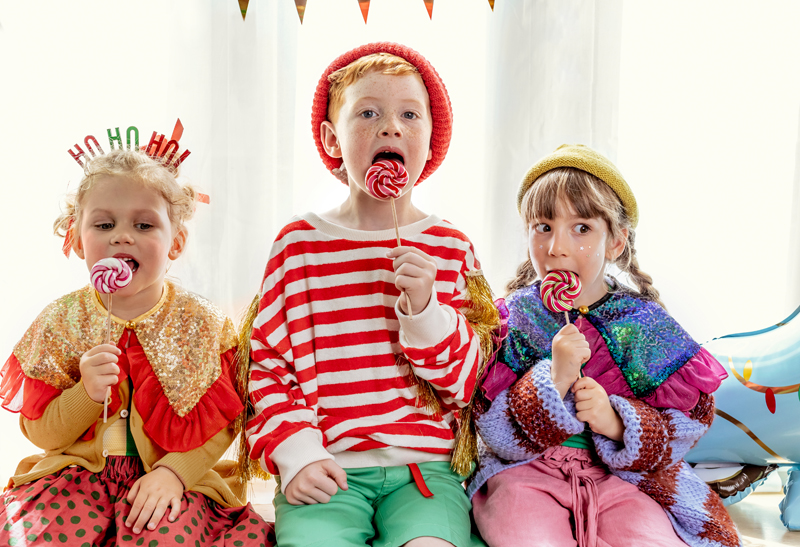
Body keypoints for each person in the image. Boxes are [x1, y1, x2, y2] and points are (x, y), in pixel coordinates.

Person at [245, 42, 497, 547]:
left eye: (409, 113)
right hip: (326, 468)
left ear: (430, 140)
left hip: (425, 472)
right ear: (331, 138)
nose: (391, 126)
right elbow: (267, 366)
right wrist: (297, 454)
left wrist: (426, 312)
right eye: (368, 113)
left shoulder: (449, 247)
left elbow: (470, 383)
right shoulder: (299, 246)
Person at [467, 144, 741, 547]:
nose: (556, 246)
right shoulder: (514, 318)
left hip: (623, 480)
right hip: (525, 475)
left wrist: (615, 422)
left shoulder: (641, 321)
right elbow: (490, 429)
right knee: (521, 532)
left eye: (581, 228)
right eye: (543, 226)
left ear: (615, 242)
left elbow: (691, 419)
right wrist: (554, 379)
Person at [0, 147, 273, 546]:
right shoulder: (61, 320)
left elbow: (224, 421)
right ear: (77, 239)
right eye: (104, 224)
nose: (122, 236)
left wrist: (175, 473)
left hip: (168, 479)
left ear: (175, 243)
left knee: (168, 534)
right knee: (41, 534)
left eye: (144, 226)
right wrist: (86, 395)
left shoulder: (200, 322)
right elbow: (41, 431)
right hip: (76, 478)